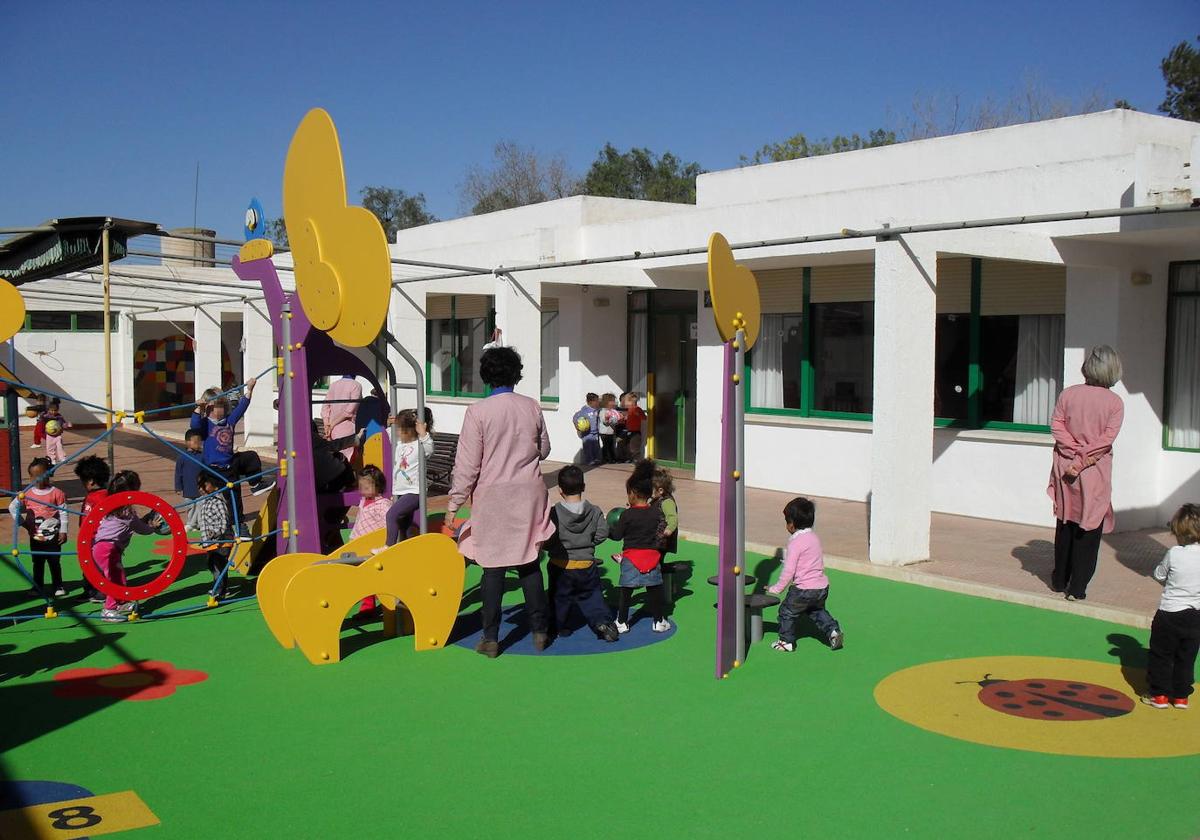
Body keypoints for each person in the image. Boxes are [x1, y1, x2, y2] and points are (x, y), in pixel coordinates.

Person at [444, 346, 554, 658]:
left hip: (493, 497)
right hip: (528, 493)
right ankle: (539, 631)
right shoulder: (531, 406)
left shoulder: (478, 412)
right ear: (516, 374)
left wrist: (454, 505)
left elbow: (467, 465)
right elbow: (544, 449)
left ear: (486, 376)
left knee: (491, 568)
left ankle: (491, 638)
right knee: (529, 562)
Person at [1047, 345, 1124, 601]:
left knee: (1066, 521)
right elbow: (1106, 439)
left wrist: (1072, 451)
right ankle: (1077, 587)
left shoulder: (1068, 395)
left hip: (1065, 466)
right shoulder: (1114, 402)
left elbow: (1057, 425)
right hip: (1093, 469)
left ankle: (1059, 579)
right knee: (1089, 527)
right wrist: (1083, 458)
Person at [544, 465, 619, 642]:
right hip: (586, 563)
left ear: (560, 490)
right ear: (583, 487)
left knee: (559, 598)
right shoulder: (594, 510)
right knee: (593, 596)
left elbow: (547, 536)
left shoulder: (555, 513)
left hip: (561, 564)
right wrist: (588, 543)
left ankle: (561, 627)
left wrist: (553, 547)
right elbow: (603, 532)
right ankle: (603, 623)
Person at [767, 497, 843, 652]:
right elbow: (810, 560)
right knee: (816, 610)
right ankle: (833, 631)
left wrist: (776, 588)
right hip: (821, 587)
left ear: (792, 524)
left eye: (786, 521)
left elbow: (789, 571)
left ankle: (786, 641)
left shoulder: (795, 542)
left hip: (803, 589)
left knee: (786, 612)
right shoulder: (814, 538)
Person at [1143, 504, 1200, 710]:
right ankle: (1181, 696)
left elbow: (1159, 574)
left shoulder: (1175, 553)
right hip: (1195, 615)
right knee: (1186, 656)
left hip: (1169, 613)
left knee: (1161, 654)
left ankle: (1159, 695)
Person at [190, 378, 275, 504]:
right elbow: (194, 426)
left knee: (250, 458)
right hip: (213, 469)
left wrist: (250, 389)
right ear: (208, 408)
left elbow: (242, 406)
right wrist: (198, 408)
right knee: (221, 498)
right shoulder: (205, 424)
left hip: (230, 465)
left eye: (224, 406)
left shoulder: (229, 421)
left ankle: (255, 485)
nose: (222, 409)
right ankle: (224, 518)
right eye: (219, 406)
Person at [609, 460, 670, 634]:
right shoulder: (656, 512)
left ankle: (622, 622)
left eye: (628, 493)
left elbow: (618, 536)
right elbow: (658, 532)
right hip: (652, 558)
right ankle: (658, 621)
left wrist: (608, 530)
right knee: (654, 590)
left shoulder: (627, 515)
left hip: (631, 558)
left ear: (634, 494)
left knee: (626, 591)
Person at [93, 470, 159, 622]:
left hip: (104, 547)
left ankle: (121, 602)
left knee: (119, 576)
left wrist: (145, 521)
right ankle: (109, 609)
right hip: (107, 549)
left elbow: (132, 524)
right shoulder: (126, 511)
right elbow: (140, 528)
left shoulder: (112, 507)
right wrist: (152, 527)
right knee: (113, 579)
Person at [9, 457, 68, 596]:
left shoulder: (57, 493)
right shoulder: (27, 493)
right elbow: (13, 507)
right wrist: (22, 523)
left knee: (54, 562)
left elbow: (64, 512)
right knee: (38, 563)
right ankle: (37, 586)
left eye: (40, 475)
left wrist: (63, 531)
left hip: (53, 535)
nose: (36, 479)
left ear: (48, 474)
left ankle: (58, 585)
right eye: (33, 476)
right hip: (35, 535)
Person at [380, 409, 434, 549]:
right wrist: (390, 424)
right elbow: (387, 437)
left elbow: (429, 449)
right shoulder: (400, 445)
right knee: (405, 524)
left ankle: (388, 546)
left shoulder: (418, 446)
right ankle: (408, 547)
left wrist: (423, 433)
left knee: (391, 515)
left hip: (414, 491)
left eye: (400, 430)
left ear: (409, 431)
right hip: (401, 490)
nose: (397, 433)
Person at [351, 465, 391, 613]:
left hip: (373, 546)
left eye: (367, 486)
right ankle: (366, 603)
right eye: (361, 485)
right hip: (359, 542)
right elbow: (359, 521)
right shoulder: (363, 501)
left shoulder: (383, 505)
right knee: (361, 576)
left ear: (378, 486)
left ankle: (369, 607)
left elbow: (388, 525)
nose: (363, 488)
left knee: (369, 577)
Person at [74, 455, 110, 603]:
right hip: (87, 538)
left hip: (98, 539)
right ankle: (89, 589)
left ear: (90, 481)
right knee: (87, 565)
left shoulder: (102, 497)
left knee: (100, 565)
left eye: (82, 480)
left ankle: (102, 591)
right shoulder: (92, 495)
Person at [195, 473, 234, 601]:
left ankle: (219, 591)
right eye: (199, 486)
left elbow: (224, 521)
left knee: (218, 565)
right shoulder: (206, 500)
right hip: (211, 542)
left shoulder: (218, 501)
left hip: (221, 541)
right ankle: (222, 588)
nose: (201, 489)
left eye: (204, 485)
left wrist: (215, 533)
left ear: (214, 485)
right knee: (212, 564)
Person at [322, 375, 363, 462]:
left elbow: (325, 406)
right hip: (347, 429)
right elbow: (349, 411)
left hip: (331, 432)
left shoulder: (333, 385)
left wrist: (327, 425)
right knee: (346, 462)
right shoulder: (356, 385)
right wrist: (332, 425)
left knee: (334, 461)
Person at [175, 430, 207, 532]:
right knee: (190, 507)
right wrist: (178, 487)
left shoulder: (202, 456)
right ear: (187, 442)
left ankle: (197, 524)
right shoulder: (182, 457)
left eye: (200, 442)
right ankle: (191, 523)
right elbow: (178, 473)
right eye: (195, 442)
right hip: (188, 488)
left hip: (200, 488)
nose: (198, 444)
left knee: (200, 506)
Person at [652, 466, 679, 561]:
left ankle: (657, 573)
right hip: (655, 535)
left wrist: (670, 529)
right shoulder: (655, 499)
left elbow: (672, 517)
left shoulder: (667, 502)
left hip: (662, 537)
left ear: (660, 490)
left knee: (657, 558)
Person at [573, 393, 602, 467]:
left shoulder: (597, 410)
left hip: (595, 432)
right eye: (596, 401)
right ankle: (589, 460)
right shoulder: (584, 411)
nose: (598, 403)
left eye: (598, 401)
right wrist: (577, 425)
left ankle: (596, 458)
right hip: (587, 433)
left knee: (596, 446)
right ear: (590, 402)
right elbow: (575, 417)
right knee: (588, 447)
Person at [40, 398, 70, 465]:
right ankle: (52, 459)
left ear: (58, 410)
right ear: (49, 410)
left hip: (58, 435)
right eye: (52, 410)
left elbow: (63, 423)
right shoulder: (46, 416)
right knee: (50, 448)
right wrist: (41, 416)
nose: (53, 412)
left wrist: (67, 425)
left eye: (55, 410)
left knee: (60, 446)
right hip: (49, 435)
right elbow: (42, 419)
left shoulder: (59, 417)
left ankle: (62, 458)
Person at [622, 392, 646, 462]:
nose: (625, 404)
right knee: (630, 447)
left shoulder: (636, 409)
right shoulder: (629, 410)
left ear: (631, 401)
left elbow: (644, 418)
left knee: (635, 448)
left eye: (626, 402)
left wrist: (637, 414)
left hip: (635, 432)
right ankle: (633, 460)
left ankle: (639, 462)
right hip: (629, 431)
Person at [598, 392, 620, 464]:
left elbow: (615, 420)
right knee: (606, 446)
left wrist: (618, 420)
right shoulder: (603, 411)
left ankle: (612, 459)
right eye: (612, 401)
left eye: (614, 401)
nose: (614, 403)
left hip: (611, 432)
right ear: (606, 402)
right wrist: (608, 420)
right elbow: (605, 422)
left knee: (611, 446)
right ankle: (606, 459)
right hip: (604, 432)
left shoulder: (612, 411)